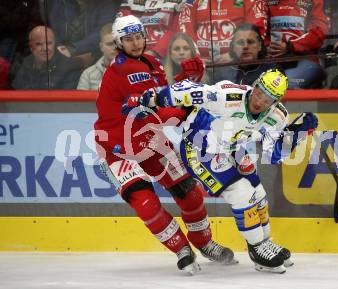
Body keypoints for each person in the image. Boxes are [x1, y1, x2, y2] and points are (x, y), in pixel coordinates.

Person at [94, 15, 235, 275]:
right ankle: (182, 249)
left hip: (150, 140)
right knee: (145, 202)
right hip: (117, 148)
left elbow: (163, 94)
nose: (135, 43)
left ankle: (205, 244)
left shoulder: (151, 62)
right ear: (118, 42)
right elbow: (159, 110)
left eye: (138, 37)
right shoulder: (126, 70)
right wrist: (188, 105)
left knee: (189, 192)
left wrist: (187, 78)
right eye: (128, 39)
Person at [154, 69, 318, 273]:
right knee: (242, 194)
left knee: (259, 195)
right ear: (255, 86)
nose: (259, 102)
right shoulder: (228, 95)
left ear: (276, 101)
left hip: (231, 149)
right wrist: (156, 97)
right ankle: (257, 249)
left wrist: (296, 133)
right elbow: (192, 90)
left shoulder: (278, 116)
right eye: (259, 93)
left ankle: (264, 242)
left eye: (267, 100)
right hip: (200, 150)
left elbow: (273, 155)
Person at [173, 0, 267, 64]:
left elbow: (255, 30)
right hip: (201, 65)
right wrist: (195, 58)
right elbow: (184, 29)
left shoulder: (249, 1)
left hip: (235, 64)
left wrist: (233, 54)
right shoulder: (192, 2)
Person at [267, 0, 329, 89]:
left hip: (305, 60)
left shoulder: (313, 1)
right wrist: (264, 47)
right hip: (269, 61)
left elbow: (320, 31)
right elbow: (257, 30)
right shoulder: (265, 2)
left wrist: (291, 46)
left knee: (284, 85)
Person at [46, 0, 120, 68]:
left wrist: (73, 49)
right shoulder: (59, 2)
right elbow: (52, 29)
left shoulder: (106, 3)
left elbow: (102, 32)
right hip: (62, 54)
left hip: (93, 54)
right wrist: (59, 48)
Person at [11, 26, 82, 90]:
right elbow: (16, 92)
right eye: (38, 44)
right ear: (31, 47)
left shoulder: (71, 67)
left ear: (54, 44)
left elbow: (65, 100)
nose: (45, 48)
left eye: (49, 43)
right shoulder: (26, 62)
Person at [77, 24, 117, 90]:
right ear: (101, 47)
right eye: (110, 44)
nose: (115, 48)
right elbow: (80, 100)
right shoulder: (88, 75)